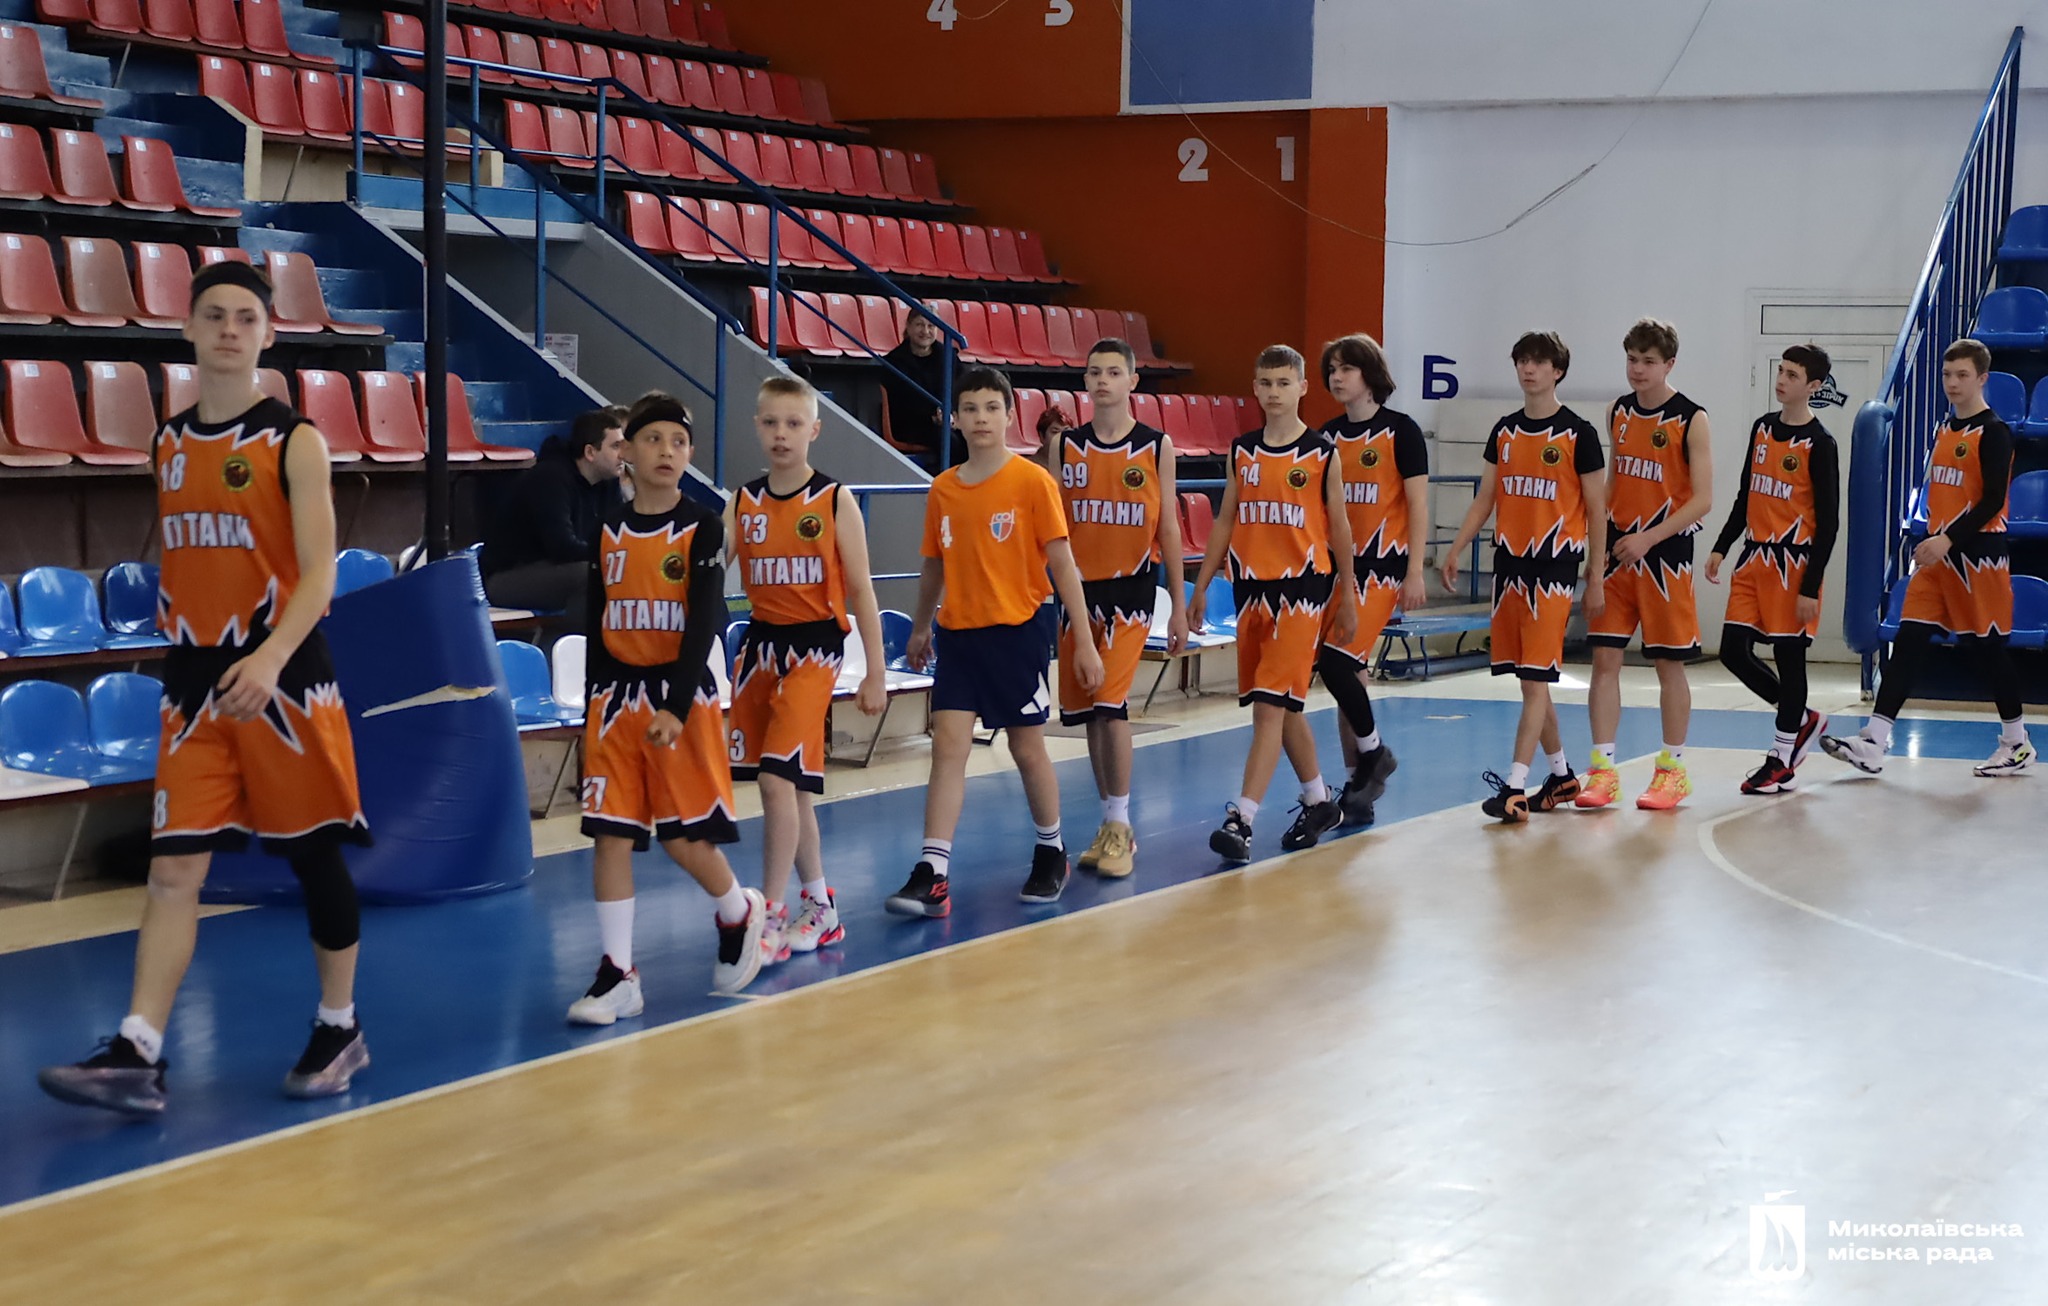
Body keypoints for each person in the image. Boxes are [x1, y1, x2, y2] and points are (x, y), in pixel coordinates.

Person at [39, 262, 373, 1115]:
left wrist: (269, 658)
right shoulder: (169, 442)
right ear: (187, 327)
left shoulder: (295, 441)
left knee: (314, 855)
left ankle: (340, 1024)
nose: (229, 329)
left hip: (284, 678)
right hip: (192, 682)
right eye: (214, 314)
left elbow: (320, 573)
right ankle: (138, 1047)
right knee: (173, 867)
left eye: (246, 317)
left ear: (268, 334)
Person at [566, 393, 766, 1024]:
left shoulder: (703, 526)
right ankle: (617, 973)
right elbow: (596, 622)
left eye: (678, 442)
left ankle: (738, 911)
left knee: (684, 840)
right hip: (614, 700)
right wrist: (593, 708)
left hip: (678, 698)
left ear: (690, 454)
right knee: (610, 835)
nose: (667, 451)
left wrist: (676, 706)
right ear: (626, 451)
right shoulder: (606, 530)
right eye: (653, 439)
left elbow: (704, 620)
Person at [887, 367, 1103, 917]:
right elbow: (934, 565)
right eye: (970, 408)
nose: (981, 418)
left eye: (991, 407)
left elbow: (1063, 564)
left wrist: (1082, 640)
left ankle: (1051, 850)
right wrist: (920, 626)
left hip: (1017, 632)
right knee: (948, 748)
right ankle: (933, 870)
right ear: (954, 419)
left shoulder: (1033, 483)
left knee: (1026, 747)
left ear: (1009, 415)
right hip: (959, 636)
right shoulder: (943, 488)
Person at [726, 376, 888, 965]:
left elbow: (862, 590)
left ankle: (768, 913)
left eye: (793, 423)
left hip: (816, 648)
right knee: (790, 789)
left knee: (776, 781)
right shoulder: (741, 501)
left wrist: (876, 671)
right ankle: (820, 906)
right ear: (757, 426)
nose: (781, 433)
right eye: (771, 422)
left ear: (814, 431)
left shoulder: (834, 499)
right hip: (760, 648)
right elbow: (704, 573)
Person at [1823, 339, 2035, 777]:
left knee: (1987, 650)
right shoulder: (1945, 429)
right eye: (1947, 374)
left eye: (1962, 375)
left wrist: (1948, 539)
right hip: (1939, 560)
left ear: (1982, 378)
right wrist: (1937, 541)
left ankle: (2017, 742)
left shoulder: (1994, 431)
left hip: (1978, 557)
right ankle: (1874, 741)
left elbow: (1993, 500)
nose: (1952, 383)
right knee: (1909, 641)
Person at [1189, 345, 1359, 862]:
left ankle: (1241, 819)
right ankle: (1319, 801)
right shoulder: (1242, 451)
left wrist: (1349, 595)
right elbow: (1225, 520)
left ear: (1303, 387)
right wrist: (1201, 585)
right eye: (1266, 383)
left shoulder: (1322, 453)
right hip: (1250, 590)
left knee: (1268, 707)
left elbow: (1340, 528)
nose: (1274, 392)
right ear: (1255, 388)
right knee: (1283, 709)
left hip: (1302, 590)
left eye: (1284, 382)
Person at [1442, 331, 1608, 823]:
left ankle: (1515, 787)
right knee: (1530, 680)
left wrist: (1596, 574)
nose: (1528, 369)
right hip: (1509, 566)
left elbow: (1597, 511)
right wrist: (1456, 547)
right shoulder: (1505, 431)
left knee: (1535, 679)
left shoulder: (1578, 433)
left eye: (1538, 361)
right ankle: (1561, 776)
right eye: (1522, 361)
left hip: (1553, 569)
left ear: (1558, 370)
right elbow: (1485, 498)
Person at [1040, 338, 1187, 879]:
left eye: (1112, 372)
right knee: (1088, 714)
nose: (1102, 380)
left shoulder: (1155, 445)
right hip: (1078, 595)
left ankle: (1122, 826)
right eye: (1094, 372)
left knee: (1110, 703)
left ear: (1132, 382)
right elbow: (1051, 529)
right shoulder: (1065, 447)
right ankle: (1108, 822)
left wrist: (1179, 605)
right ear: (1085, 381)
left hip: (1132, 591)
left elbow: (1168, 528)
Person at [1580, 318, 1714, 811]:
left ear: (1669, 364)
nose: (1638, 369)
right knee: (1604, 661)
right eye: (1632, 359)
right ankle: (1602, 771)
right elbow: (1613, 482)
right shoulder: (1617, 411)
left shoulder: (1691, 417)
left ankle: (1672, 771)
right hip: (1618, 553)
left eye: (1649, 362)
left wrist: (1649, 538)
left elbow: (1703, 500)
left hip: (1665, 554)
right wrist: (1596, 547)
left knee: (1667, 664)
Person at [1707, 344, 1839, 794]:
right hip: (1753, 558)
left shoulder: (1820, 443)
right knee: (1732, 650)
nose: (1781, 380)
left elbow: (1829, 523)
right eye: (1780, 371)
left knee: (1789, 657)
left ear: (1813, 386)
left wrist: (1811, 585)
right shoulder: (1762, 428)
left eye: (1792, 375)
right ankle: (1801, 719)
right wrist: (1722, 546)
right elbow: (1746, 493)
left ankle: (1781, 758)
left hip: (1793, 564)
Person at [1315, 332, 1427, 827]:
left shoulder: (1402, 431)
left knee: (1336, 663)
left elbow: (1418, 506)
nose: (1337, 377)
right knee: (1348, 681)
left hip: (1381, 569)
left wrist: (1415, 570)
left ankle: (1375, 753)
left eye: (1347, 368)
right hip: (1335, 571)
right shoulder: (1326, 437)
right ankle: (1357, 786)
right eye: (1332, 369)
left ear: (1370, 374)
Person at [481, 405, 626, 627]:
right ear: (590, 452)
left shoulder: (609, 483)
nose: (623, 454)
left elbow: (620, 533)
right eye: (615, 446)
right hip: (508, 576)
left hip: (556, 569)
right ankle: (577, 646)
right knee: (592, 575)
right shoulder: (550, 478)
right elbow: (562, 547)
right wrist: (611, 554)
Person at [882, 311, 958, 472]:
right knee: (949, 440)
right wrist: (934, 417)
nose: (925, 331)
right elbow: (901, 403)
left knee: (973, 436)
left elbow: (959, 387)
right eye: (919, 325)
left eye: (931, 326)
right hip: (911, 425)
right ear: (908, 327)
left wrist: (951, 413)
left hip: (947, 420)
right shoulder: (894, 361)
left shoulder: (948, 356)